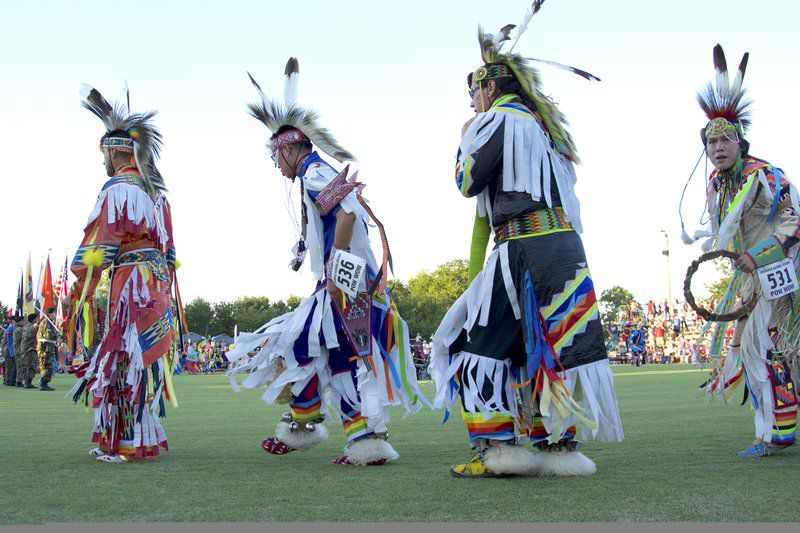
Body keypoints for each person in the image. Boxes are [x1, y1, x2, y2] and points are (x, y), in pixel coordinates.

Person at [429, 5, 623, 478]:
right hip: (564, 251)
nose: (471, 101)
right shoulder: (544, 130)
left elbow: (467, 181)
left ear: (491, 86)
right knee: (550, 346)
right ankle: (559, 449)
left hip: (522, 251)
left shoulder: (497, 121)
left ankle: (498, 450)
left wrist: (463, 140)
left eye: (473, 91)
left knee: (470, 342)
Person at [227, 57, 426, 466]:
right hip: (350, 276)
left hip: (347, 277)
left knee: (300, 342)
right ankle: (362, 441)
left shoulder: (314, 170)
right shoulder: (312, 174)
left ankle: (304, 425)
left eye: (274, 156)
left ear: (290, 147)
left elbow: (350, 212)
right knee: (338, 354)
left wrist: (334, 266)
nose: (274, 165)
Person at [683, 45, 798, 457]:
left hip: (785, 268)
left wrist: (762, 255)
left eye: (724, 140)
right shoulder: (716, 184)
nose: (717, 148)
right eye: (710, 141)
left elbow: (794, 220)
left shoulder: (766, 175)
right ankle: (777, 429)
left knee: (767, 345)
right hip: (751, 275)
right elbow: (724, 232)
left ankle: (778, 432)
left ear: (740, 141)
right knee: (753, 346)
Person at [66, 85, 180, 463]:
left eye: (103, 153)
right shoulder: (156, 193)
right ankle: (138, 437)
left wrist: (79, 287)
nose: (102, 161)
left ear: (116, 152)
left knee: (122, 353)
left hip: (130, 280)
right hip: (156, 283)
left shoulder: (117, 189)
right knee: (141, 356)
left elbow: (101, 245)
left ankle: (127, 442)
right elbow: (171, 250)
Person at [36, 307, 58, 391]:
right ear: (49, 314)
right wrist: (57, 335)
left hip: (49, 347)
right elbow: (48, 335)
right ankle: (43, 383)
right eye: (54, 313)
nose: (55, 315)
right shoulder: (47, 322)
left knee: (49, 367)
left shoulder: (50, 322)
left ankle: (44, 383)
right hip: (45, 348)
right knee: (47, 366)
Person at [18, 313, 39, 389]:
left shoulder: (26, 326)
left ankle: (24, 381)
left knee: (25, 366)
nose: (37, 320)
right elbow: (38, 327)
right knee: (31, 367)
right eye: (37, 318)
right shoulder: (33, 327)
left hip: (25, 349)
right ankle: (28, 382)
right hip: (30, 349)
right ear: (34, 320)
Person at [3, 317, 16, 386]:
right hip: (8, 350)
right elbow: (9, 342)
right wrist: (12, 352)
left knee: (8, 366)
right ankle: (8, 381)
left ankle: (7, 380)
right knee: (10, 366)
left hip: (7, 349)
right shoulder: (11, 328)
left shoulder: (8, 328)